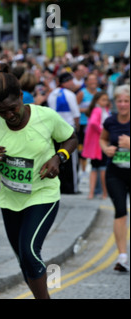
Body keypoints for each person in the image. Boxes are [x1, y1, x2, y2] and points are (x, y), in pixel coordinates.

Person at [0, 63, 78, 299]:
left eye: (13, 108)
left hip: (43, 194)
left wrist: (58, 158)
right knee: (24, 260)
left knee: (30, 252)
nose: (9, 115)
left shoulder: (45, 117)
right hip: (10, 200)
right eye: (2, 111)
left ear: (22, 97)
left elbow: (71, 137)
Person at [99, 84, 130, 272]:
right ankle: (122, 256)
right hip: (115, 173)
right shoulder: (110, 121)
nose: (123, 104)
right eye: (120, 101)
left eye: (127, 101)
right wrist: (105, 149)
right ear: (115, 102)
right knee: (120, 211)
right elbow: (103, 139)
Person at [48, 72, 81, 194]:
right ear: (66, 82)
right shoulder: (69, 94)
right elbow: (76, 114)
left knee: (58, 157)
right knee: (71, 160)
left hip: (55, 130)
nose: (73, 83)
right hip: (68, 129)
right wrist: (76, 128)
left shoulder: (52, 94)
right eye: (71, 81)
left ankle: (60, 186)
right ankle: (72, 187)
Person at [81, 91, 110, 199]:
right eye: (103, 100)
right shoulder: (98, 110)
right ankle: (104, 193)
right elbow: (93, 123)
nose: (105, 102)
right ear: (97, 100)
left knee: (95, 168)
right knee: (102, 168)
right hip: (99, 144)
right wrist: (103, 131)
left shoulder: (101, 109)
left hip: (96, 144)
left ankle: (92, 193)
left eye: (106, 100)